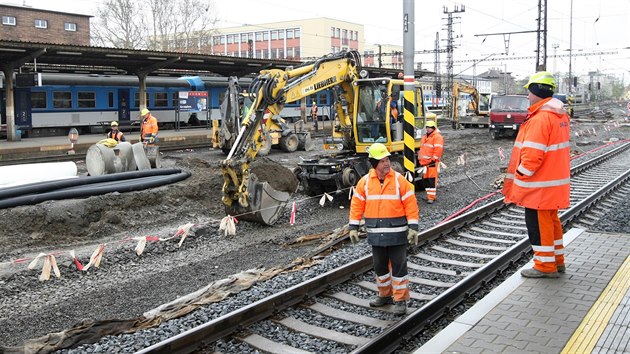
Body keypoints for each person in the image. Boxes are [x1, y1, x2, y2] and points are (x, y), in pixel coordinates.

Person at [502, 71, 571, 278]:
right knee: (552, 223)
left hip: (539, 186)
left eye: (529, 92)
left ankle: (544, 266)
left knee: (538, 226)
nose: (528, 97)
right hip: (553, 184)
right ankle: (557, 262)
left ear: (536, 92)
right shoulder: (560, 115)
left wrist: (520, 175)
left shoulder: (540, 119)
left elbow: (532, 155)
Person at [348, 142, 419, 315]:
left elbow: (411, 204)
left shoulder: (399, 180)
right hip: (376, 234)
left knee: (399, 267)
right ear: (374, 163)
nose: (387, 163)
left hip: (397, 234)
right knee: (380, 266)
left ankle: (401, 300)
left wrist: (413, 227)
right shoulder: (364, 183)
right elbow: (356, 205)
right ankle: (385, 295)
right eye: (382, 160)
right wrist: (353, 227)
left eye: (387, 159)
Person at [417, 120, 444, 203]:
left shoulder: (437, 137)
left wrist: (433, 159)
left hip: (432, 162)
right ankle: (430, 196)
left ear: (433, 128)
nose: (428, 129)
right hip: (424, 162)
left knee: (431, 180)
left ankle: (431, 197)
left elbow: (438, 150)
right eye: (427, 127)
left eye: (430, 128)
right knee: (426, 180)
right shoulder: (425, 137)